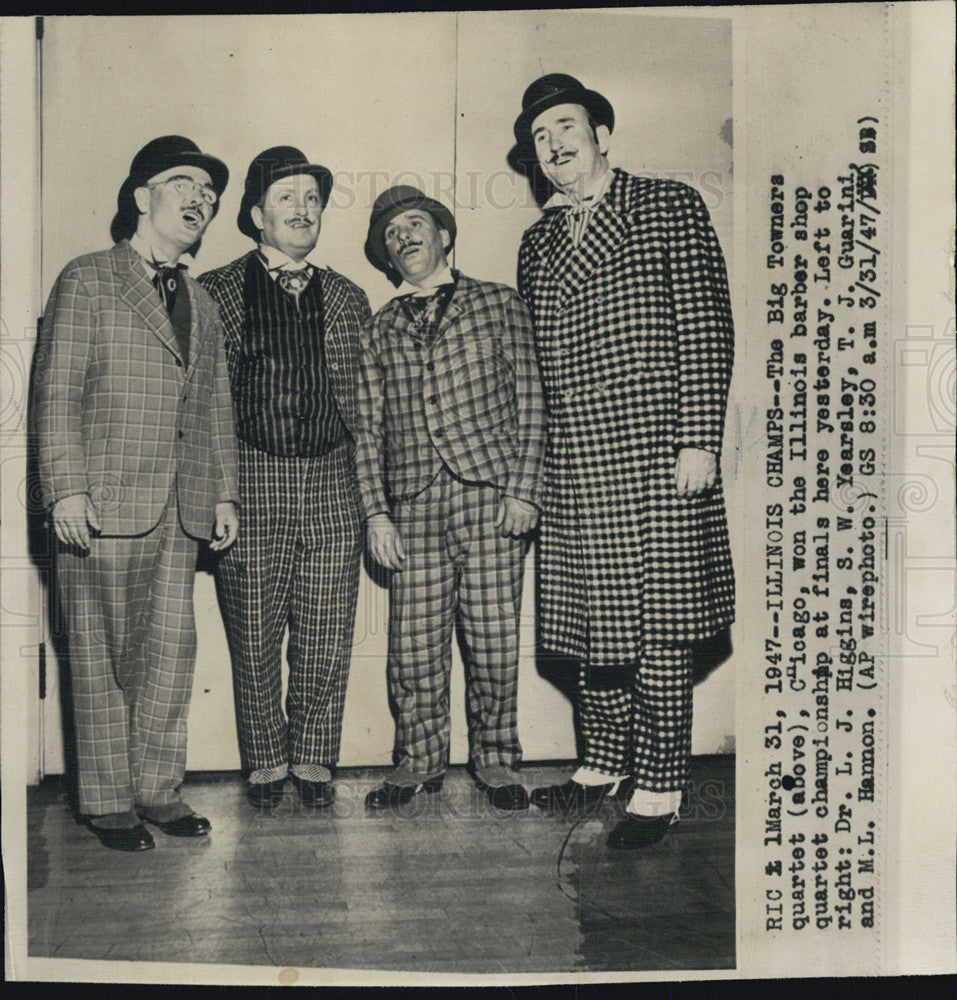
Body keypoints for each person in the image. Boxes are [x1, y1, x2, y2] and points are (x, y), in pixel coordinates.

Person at [512, 74, 735, 849]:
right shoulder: (536, 242)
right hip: (573, 461)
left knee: (658, 626)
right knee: (588, 624)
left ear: (601, 133)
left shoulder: (667, 204)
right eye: (540, 137)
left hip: (657, 455)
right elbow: (534, 371)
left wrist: (698, 437)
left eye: (567, 125)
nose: (555, 144)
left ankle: (661, 783)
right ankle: (601, 764)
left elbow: (706, 325)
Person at [34, 135, 239, 851]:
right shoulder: (88, 278)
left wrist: (223, 496)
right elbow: (55, 390)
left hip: (178, 511)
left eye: (209, 194)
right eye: (182, 183)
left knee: (167, 658)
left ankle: (157, 791)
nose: (199, 200)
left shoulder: (204, 301)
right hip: (101, 504)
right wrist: (64, 489)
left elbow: (213, 407)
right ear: (139, 196)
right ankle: (106, 801)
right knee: (98, 655)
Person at [355, 185, 544, 811]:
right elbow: (367, 428)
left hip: (490, 498)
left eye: (415, 224)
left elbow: (532, 403)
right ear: (386, 256)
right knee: (412, 646)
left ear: (444, 234)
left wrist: (523, 490)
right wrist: (377, 513)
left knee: (492, 637)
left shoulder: (499, 303)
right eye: (391, 233)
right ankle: (417, 762)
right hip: (411, 506)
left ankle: (497, 761)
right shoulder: (378, 328)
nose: (404, 237)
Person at [198, 147, 370, 810]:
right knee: (254, 630)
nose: (302, 210)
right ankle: (267, 762)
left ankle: (315, 760)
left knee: (327, 630)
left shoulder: (349, 297)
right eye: (286, 198)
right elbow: (202, 398)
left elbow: (369, 405)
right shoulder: (216, 290)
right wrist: (218, 488)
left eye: (311, 199)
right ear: (255, 216)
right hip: (251, 474)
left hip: (333, 477)